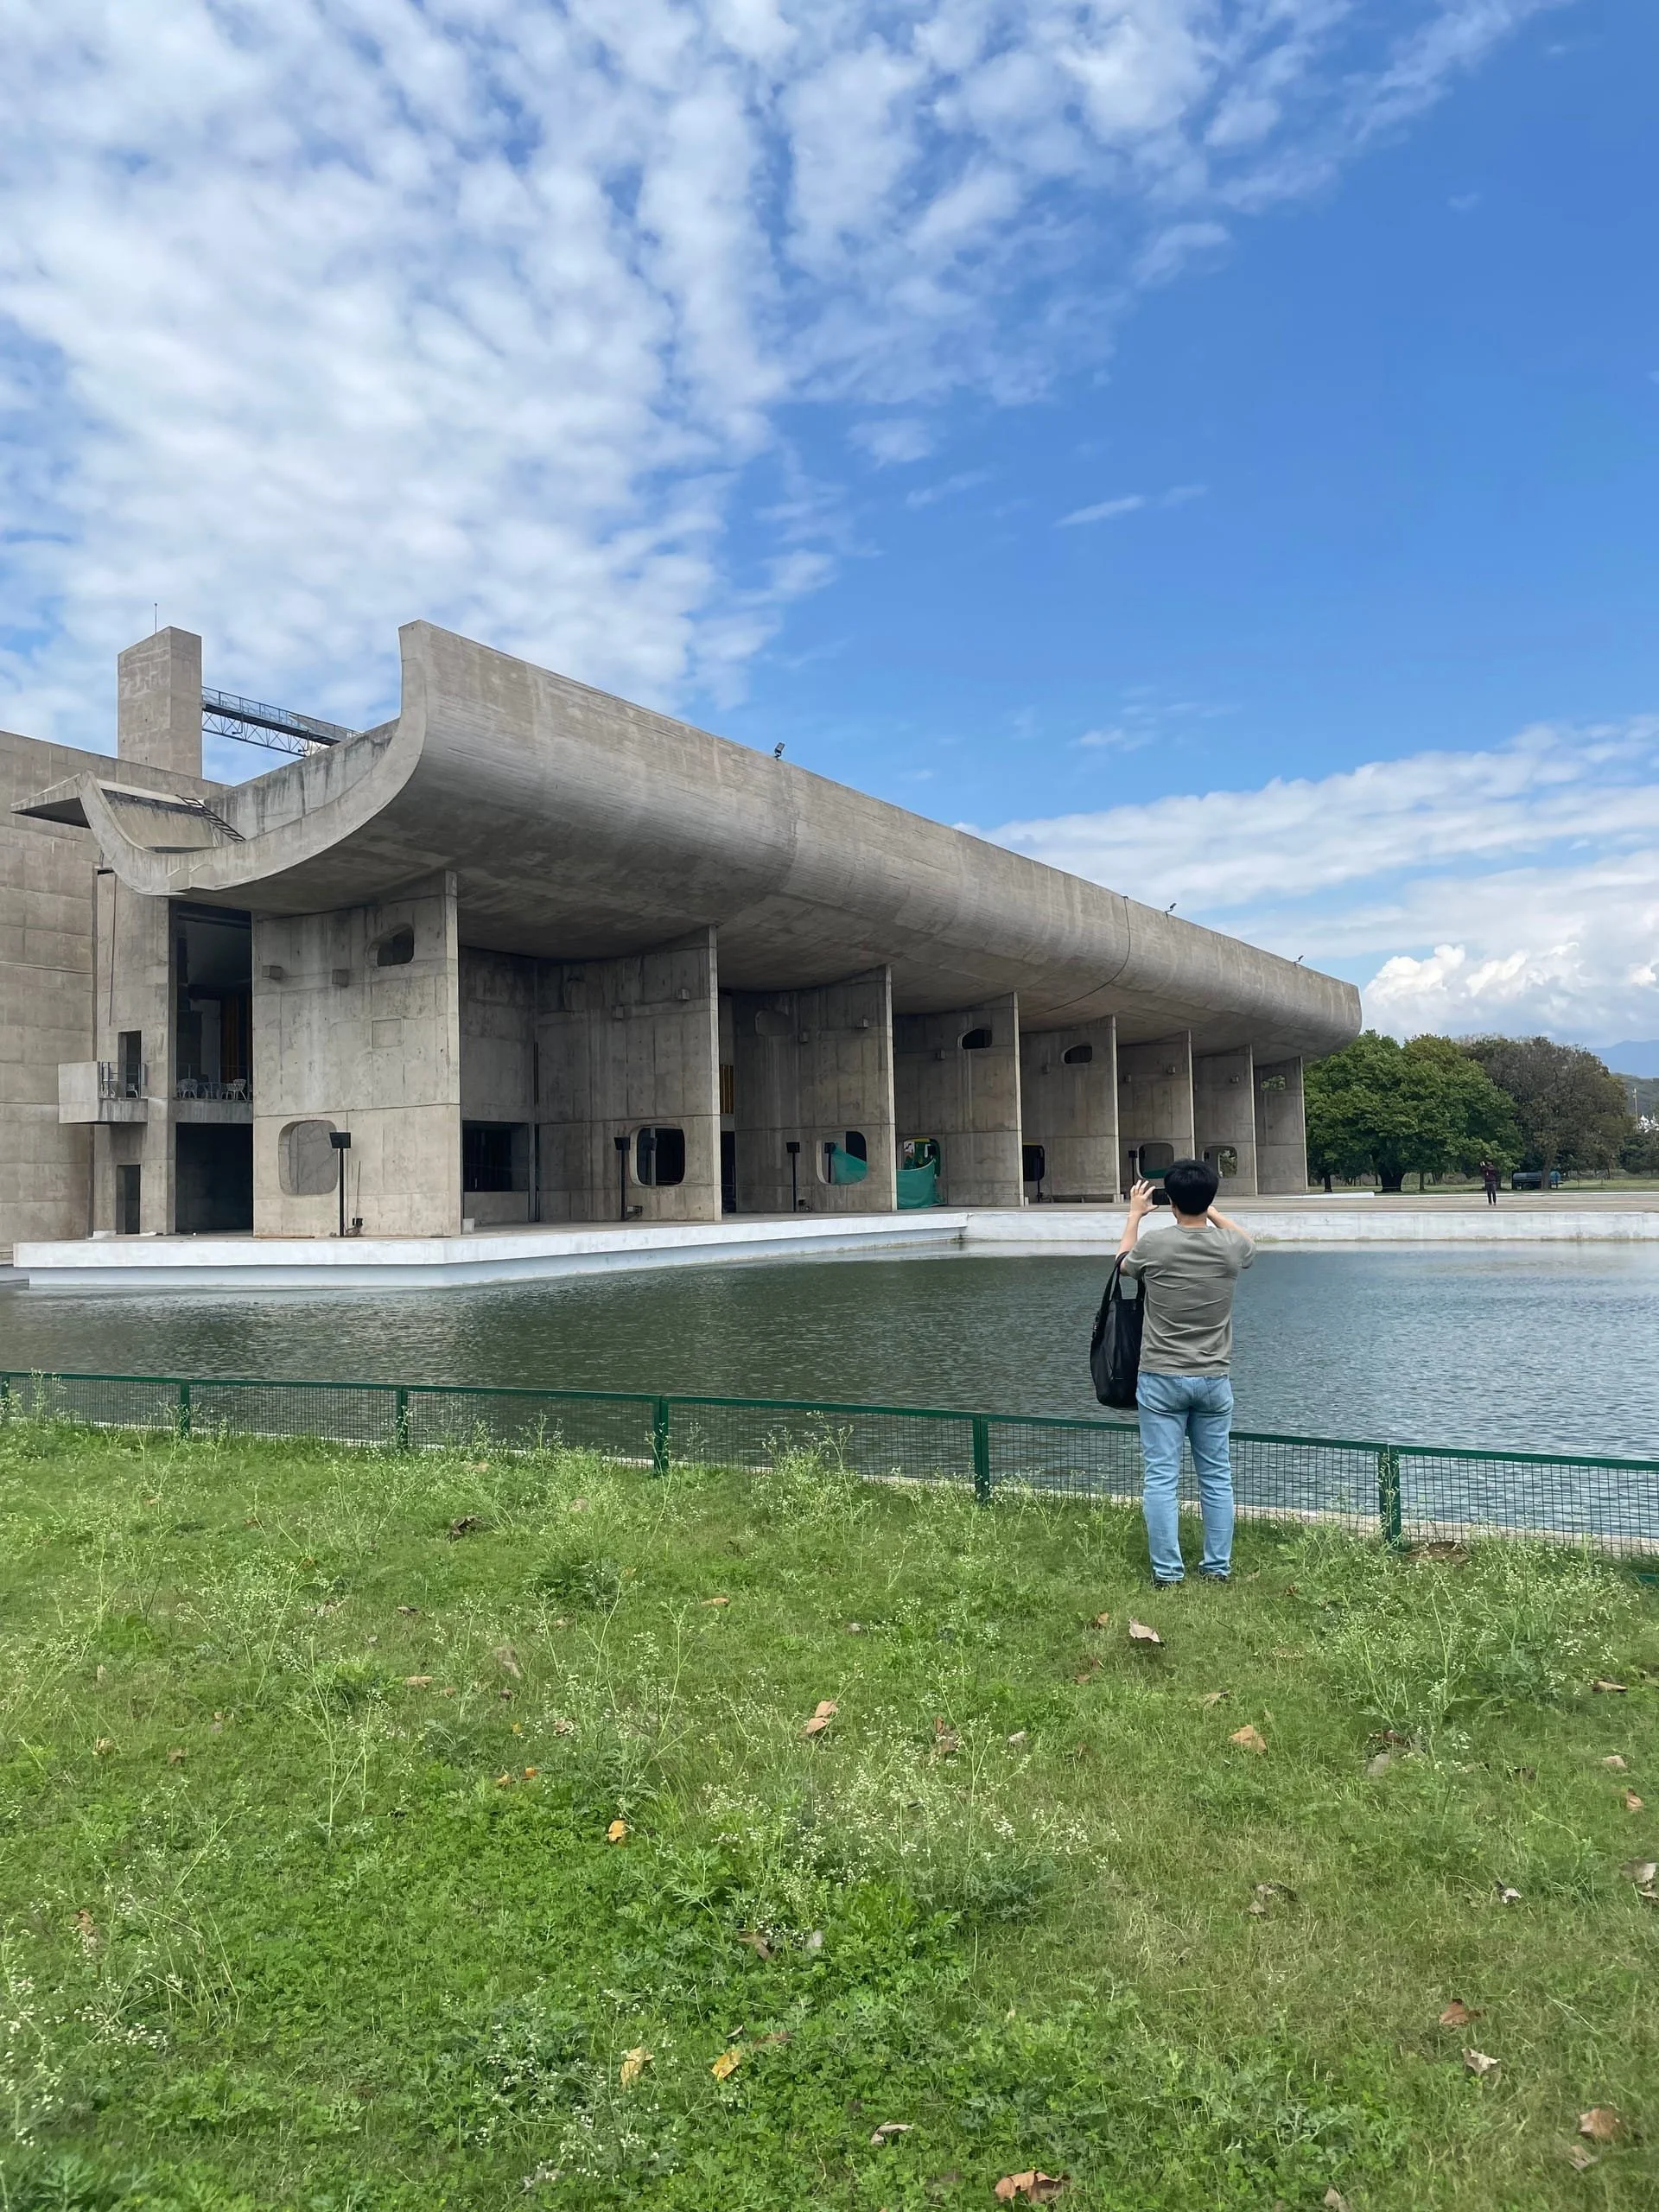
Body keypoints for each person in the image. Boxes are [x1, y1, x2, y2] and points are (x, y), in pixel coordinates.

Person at [1116, 1159, 1255, 1588]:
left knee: (1161, 1475)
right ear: (1210, 1199)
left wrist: (1136, 1213)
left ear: (1169, 1200)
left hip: (1160, 1376)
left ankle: (1168, 1574)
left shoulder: (1156, 1245)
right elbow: (1246, 1240)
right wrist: (1209, 1211)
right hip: (1214, 1378)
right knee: (1216, 1475)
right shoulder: (1229, 1248)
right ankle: (1216, 1569)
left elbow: (1122, 1263)